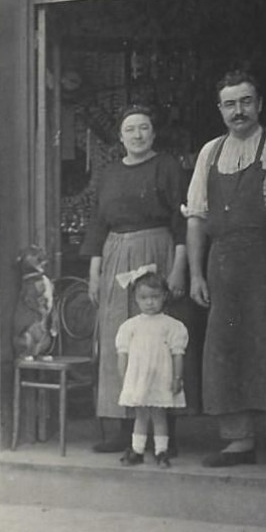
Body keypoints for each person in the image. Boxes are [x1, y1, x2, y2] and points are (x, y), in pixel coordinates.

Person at [186, 69, 266, 471]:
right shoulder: (210, 153)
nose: (238, 111)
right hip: (223, 265)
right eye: (229, 104)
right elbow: (196, 219)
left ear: (259, 104)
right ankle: (237, 439)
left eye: (245, 102)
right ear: (219, 109)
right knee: (226, 349)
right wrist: (195, 273)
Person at [81, 104, 188, 452]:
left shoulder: (167, 166)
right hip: (114, 255)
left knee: (155, 341)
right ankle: (119, 428)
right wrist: (95, 271)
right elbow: (98, 222)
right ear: (120, 136)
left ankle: (161, 433)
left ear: (153, 133)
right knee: (120, 338)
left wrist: (177, 267)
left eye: (144, 128)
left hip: (157, 249)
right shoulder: (110, 173)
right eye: (130, 129)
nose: (138, 135)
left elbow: (181, 220)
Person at [116, 270, 188, 468]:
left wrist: (177, 378)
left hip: (160, 377)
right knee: (140, 415)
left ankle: (161, 451)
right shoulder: (130, 326)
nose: (149, 302)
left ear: (164, 297)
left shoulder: (172, 326)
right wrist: (125, 380)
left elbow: (177, 354)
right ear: (135, 299)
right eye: (144, 298)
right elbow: (123, 356)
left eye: (155, 297)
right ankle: (137, 450)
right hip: (139, 378)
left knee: (159, 415)